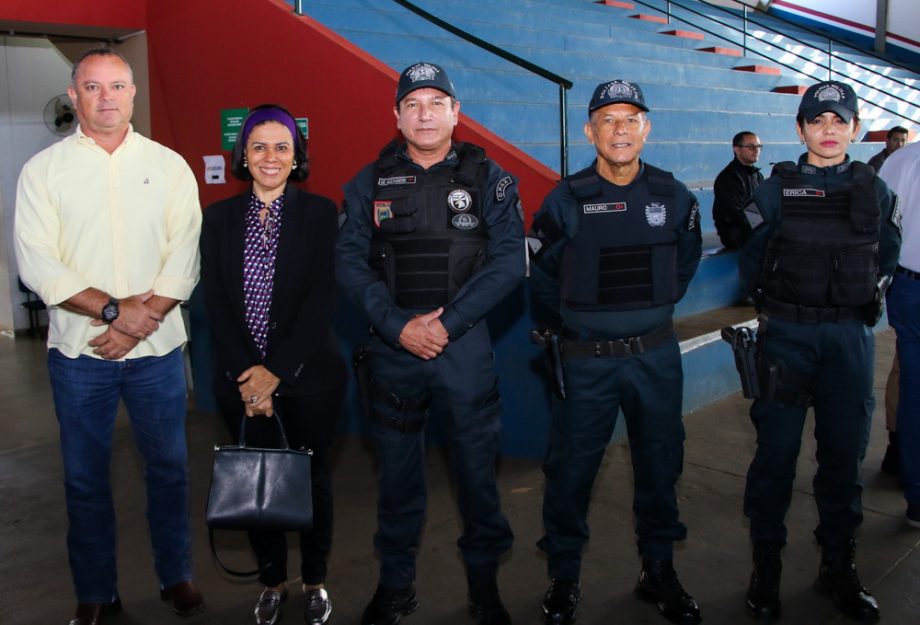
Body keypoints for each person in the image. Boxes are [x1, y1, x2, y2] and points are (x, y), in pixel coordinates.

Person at [13, 47, 204, 625]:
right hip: (80, 354)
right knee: (84, 478)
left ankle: (177, 578)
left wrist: (139, 321)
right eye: (92, 87)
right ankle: (96, 591)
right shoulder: (43, 172)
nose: (106, 98)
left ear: (133, 93)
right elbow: (37, 263)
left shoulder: (169, 165)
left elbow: (185, 253)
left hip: (158, 352)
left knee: (170, 470)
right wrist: (117, 312)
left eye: (117, 86)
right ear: (74, 96)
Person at [336, 62, 524, 625]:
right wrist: (398, 326)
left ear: (455, 113)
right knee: (397, 479)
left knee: (477, 477)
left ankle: (484, 585)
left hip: (462, 350)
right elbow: (347, 262)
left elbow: (510, 260)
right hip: (395, 354)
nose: (424, 113)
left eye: (436, 102)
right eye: (413, 103)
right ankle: (396, 585)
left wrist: (446, 324)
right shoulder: (366, 183)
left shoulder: (488, 177)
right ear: (396, 115)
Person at [527, 80, 702, 625]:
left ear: (646, 128)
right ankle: (564, 576)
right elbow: (541, 280)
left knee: (659, 466)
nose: (620, 129)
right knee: (572, 471)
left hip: (654, 357)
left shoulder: (675, 197)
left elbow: (685, 265)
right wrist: (575, 329)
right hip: (586, 361)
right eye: (608, 119)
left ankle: (659, 570)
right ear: (590, 131)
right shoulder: (564, 199)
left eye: (630, 119)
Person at [738, 81, 901, 623]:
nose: (828, 131)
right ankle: (767, 569)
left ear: (854, 129)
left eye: (839, 121)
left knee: (844, 459)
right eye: (817, 121)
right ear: (801, 128)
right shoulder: (773, 189)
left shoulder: (874, 190)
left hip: (848, 340)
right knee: (775, 458)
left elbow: (888, 259)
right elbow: (752, 259)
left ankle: (839, 565)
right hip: (787, 335)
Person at [200, 104, 346, 625]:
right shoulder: (217, 219)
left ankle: (315, 580)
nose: (270, 157)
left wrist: (275, 372)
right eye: (258, 147)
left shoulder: (321, 214)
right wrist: (250, 378)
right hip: (240, 384)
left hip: (309, 379)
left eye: (281, 147)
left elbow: (320, 301)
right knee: (255, 483)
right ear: (243, 155)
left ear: (296, 155)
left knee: (312, 482)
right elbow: (215, 302)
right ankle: (271, 581)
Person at [878, 138, 920, 528]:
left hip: (908, 285)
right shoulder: (905, 158)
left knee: (913, 388)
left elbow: (883, 227)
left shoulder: (903, 160)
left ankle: (916, 495)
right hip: (910, 288)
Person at [712, 130, 764, 249]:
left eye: (758, 146)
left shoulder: (757, 175)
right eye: (751, 147)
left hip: (753, 227)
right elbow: (735, 214)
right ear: (737, 150)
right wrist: (763, 225)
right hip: (735, 232)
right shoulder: (728, 177)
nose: (756, 150)